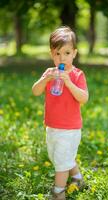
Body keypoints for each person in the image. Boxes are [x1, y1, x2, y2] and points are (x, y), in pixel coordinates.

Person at [32, 26, 89, 200]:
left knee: (61, 162)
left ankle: (59, 192)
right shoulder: (50, 73)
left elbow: (83, 98)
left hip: (70, 129)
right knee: (57, 156)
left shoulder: (78, 74)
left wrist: (69, 83)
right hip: (52, 126)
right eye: (57, 53)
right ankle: (78, 178)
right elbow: (35, 91)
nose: (62, 57)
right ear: (51, 54)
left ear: (74, 53)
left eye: (66, 53)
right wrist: (46, 78)